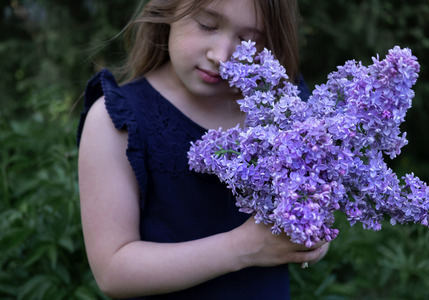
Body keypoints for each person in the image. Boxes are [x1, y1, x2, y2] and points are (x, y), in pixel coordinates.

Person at [77, 0, 330, 299]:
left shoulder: (285, 110)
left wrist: (311, 234)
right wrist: (245, 248)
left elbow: (315, 205)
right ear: (168, 9)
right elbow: (112, 272)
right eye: (207, 25)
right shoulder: (115, 120)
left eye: (248, 39)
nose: (221, 56)